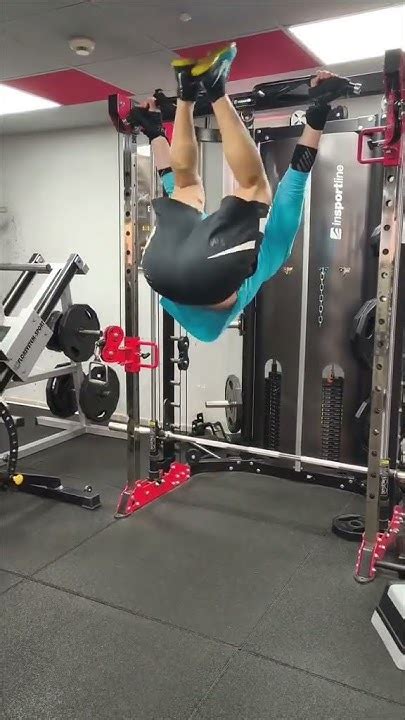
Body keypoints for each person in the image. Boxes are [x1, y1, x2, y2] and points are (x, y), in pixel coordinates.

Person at [129, 43, 341, 342]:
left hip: (195, 275)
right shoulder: (199, 242)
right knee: (186, 187)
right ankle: (186, 93)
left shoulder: (269, 257)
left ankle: (216, 90)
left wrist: (318, 112)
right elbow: (169, 176)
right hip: (158, 272)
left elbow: (295, 183)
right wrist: (154, 132)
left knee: (253, 186)